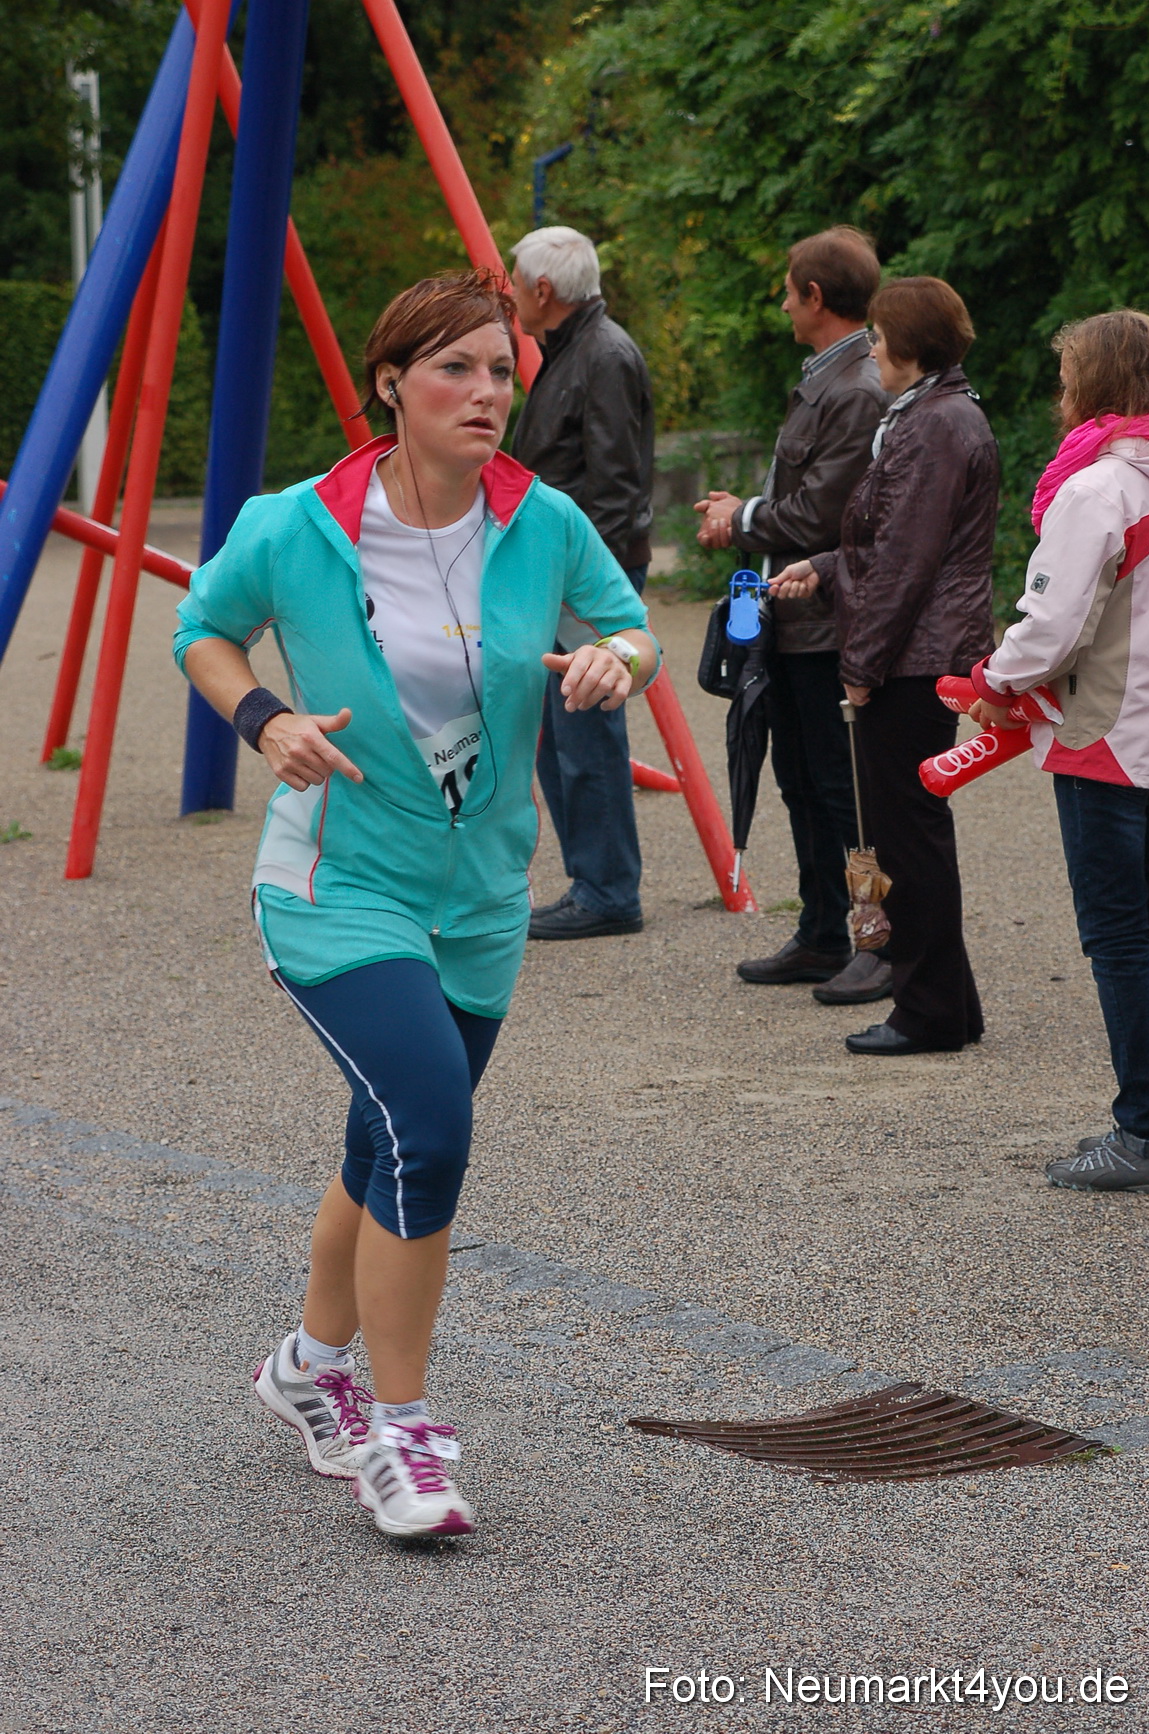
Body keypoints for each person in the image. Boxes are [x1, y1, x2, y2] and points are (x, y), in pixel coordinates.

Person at [173, 269, 659, 1539]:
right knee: (430, 1133)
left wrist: (618, 657)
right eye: (457, 369)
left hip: (484, 896)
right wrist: (265, 717)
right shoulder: (297, 523)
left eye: (503, 371)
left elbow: (628, 625)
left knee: (381, 1138)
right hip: (337, 888)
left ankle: (303, 1371)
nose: (488, 393)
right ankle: (404, 1435)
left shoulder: (540, 520)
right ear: (391, 382)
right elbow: (203, 630)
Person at [771, 275, 997, 1054]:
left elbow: (905, 559)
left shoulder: (933, 424)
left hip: (910, 657)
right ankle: (946, 1003)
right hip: (919, 646)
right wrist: (827, 567)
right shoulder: (930, 415)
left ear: (907, 345)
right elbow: (888, 540)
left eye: (877, 336)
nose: (869, 347)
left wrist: (859, 664)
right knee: (912, 833)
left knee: (907, 837)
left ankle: (928, 1011)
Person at [969, 310, 1149, 1191]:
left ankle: (1142, 1130)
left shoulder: (1096, 490)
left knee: (1121, 939)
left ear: (1093, 386)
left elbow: (1049, 630)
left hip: (1109, 739)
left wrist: (992, 680)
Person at [695, 227, 891, 1004]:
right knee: (799, 782)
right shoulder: (832, 379)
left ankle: (871, 943)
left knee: (839, 792)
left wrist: (738, 516)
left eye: (787, 289)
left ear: (814, 296)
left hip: (826, 622)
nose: (781, 302)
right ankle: (818, 933)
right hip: (791, 619)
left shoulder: (854, 388)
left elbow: (824, 512)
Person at [509, 225, 655, 940]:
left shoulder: (601, 357)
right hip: (563, 575)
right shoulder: (574, 352)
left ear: (542, 290)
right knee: (558, 735)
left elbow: (615, 483)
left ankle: (605, 889)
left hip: (584, 578)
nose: (508, 292)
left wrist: (581, 585)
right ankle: (591, 882)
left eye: (514, 280)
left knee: (584, 733)